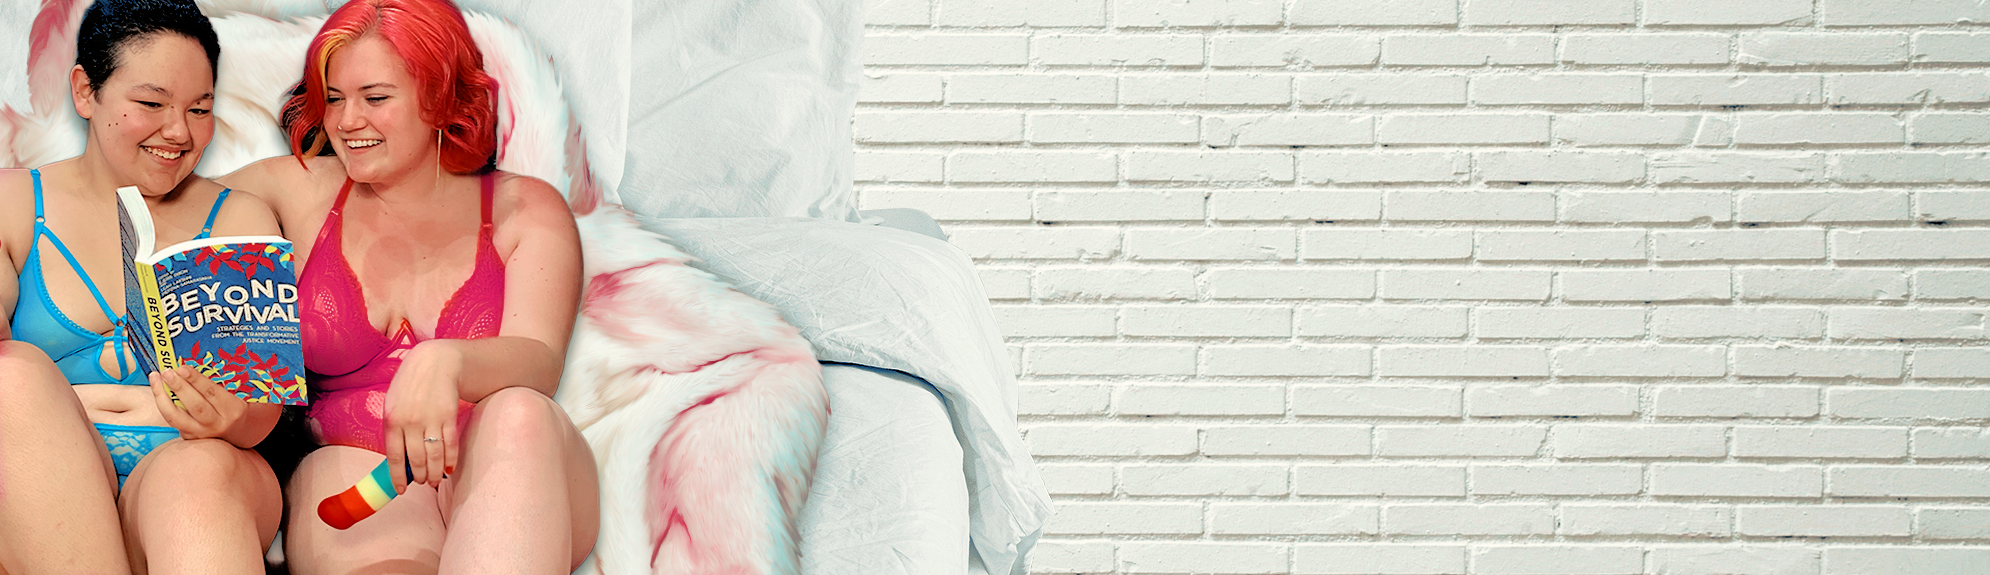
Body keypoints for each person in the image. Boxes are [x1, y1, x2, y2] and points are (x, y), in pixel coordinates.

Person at [218, 0, 599, 571]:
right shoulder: (295, 191)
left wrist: (447, 362)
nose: (347, 122)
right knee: (326, 476)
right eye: (335, 99)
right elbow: (156, 210)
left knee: (520, 412)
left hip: (508, 463)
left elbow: (540, 360)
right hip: (356, 467)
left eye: (375, 98)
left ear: (439, 94)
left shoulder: (525, 208)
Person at [0, 0, 284, 572]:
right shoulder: (13, 204)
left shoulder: (239, 218)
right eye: (151, 103)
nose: (178, 132)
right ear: (85, 92)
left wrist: (231, 417)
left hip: (200, 474)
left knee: (195, 474)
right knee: (12, 378)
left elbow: (260, 411)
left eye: (199, 109)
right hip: (39, 480)